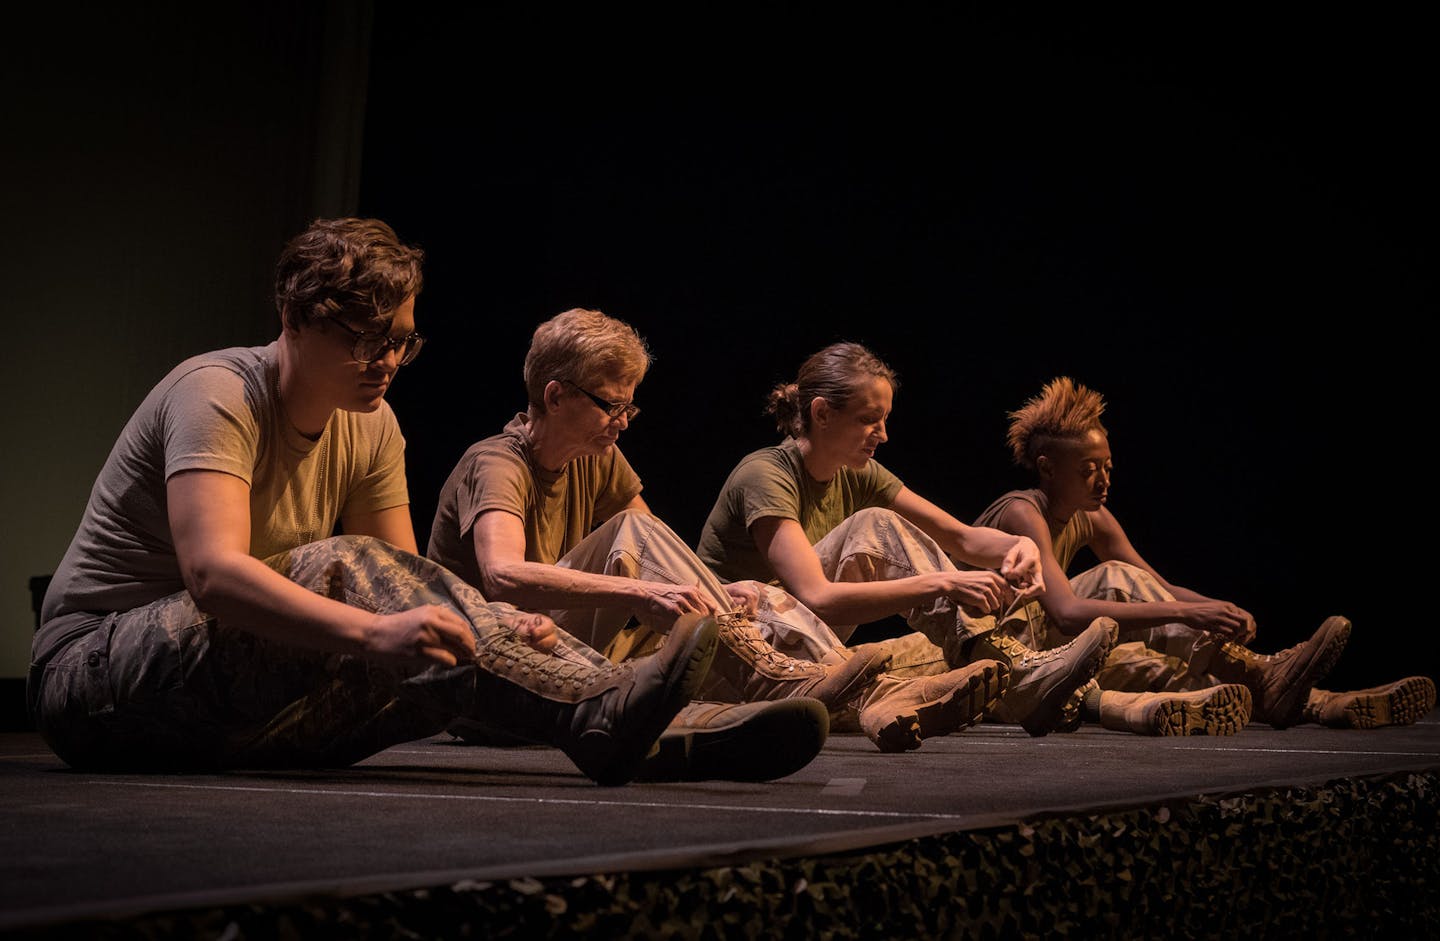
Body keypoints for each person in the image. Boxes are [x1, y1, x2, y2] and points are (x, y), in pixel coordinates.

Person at [28, 218, 720, 789]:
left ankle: (665, 730)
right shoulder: (217, 394)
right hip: (93, 684)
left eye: (400, 340)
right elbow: (213, 575)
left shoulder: (375, 422)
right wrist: (369, 633)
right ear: (295, 319)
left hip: (215, 706)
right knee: (352, 576)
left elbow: (403, 579)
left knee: (431, 652)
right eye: (364, 339)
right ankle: (602, 712)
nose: (387, 360)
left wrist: (492, 620)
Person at [426, 309, 1011, 757]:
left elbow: (659, 543)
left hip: (568, 658)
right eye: (611, 405)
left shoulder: (597, 457)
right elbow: (503, 573)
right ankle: (817, 683)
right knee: (636, 535)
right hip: (494, 676)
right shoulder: (497, 462)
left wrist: (714, 590)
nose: (624, 421)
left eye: (631, 407)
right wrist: (642, 593)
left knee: (737, 580)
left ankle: (954, 679)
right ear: (555, 396)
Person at [696, 342, 1116, 738]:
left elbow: (962, 538)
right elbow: (817, 595)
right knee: (875, 526)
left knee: (930, 658)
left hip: (802, 649)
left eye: (884, 419)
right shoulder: (765, 475)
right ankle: (1015, 678)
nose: (883, 433)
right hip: (735, 657)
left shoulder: (857, 473)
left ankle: (1020, 675)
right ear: (822, 413)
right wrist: (944, 583)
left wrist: (1020, 547)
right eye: (868, 419)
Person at [971, 375, 1433, 734]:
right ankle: (1271, 678)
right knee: (1112, 576)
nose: (1103, 481)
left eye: (1108, 468)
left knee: (1168, 667)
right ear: (1048, 469)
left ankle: (1331, 704)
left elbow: (1158, 588)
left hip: (1053, 655)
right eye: (1088, 470)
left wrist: (1214, 610)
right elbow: (1069, 612)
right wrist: (1190, 613)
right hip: (996, 658)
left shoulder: (1092, 516)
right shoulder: (1021, 512)